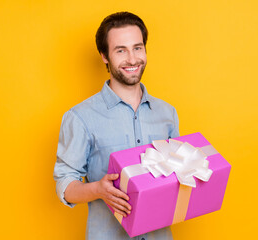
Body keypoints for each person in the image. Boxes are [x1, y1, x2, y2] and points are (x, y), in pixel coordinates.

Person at [53, 12, 179, 240]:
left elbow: (175, 177)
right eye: (121, 50)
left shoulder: (167, 113)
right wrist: (97, 190)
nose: (132, 59)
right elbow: (65, 184)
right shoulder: (80, 117)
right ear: (104, 56)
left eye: (137, 48)